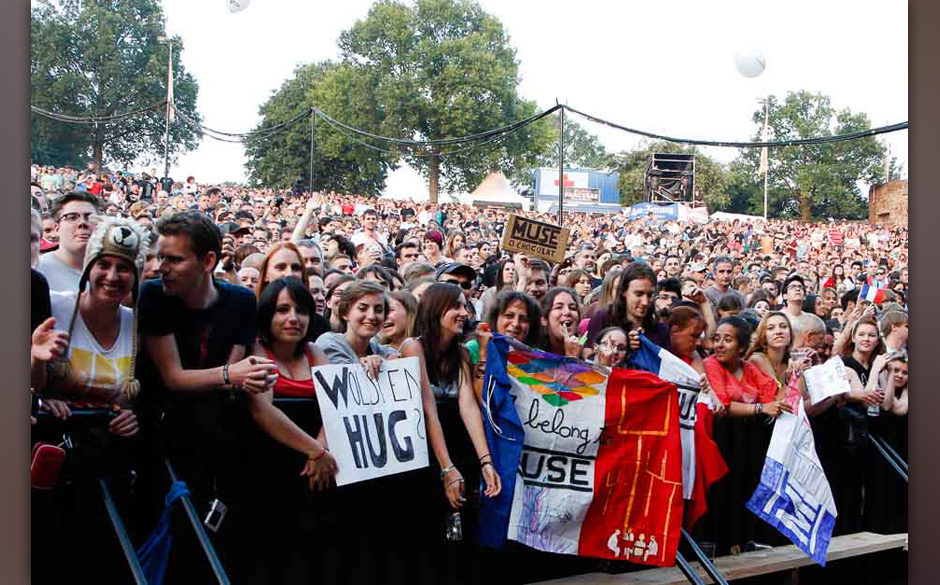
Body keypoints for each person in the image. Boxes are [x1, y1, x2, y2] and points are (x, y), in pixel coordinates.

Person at [136, 210, 279, 582]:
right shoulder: (153, 296)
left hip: (220, 450)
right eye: (160, 257)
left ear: (209, 261)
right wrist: (231, 375)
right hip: (161, 447)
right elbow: (174, 377)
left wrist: (239, 377)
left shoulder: (241, 301)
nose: (161, 267)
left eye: (174, 259)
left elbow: (231, 379)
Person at [31, 217, 144, 583]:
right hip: (51, 464)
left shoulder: (137, 325)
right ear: (89, 269)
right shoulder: (54, 306)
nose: (112, 276)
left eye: (124, 268)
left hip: (107, 469)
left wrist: (131, 415)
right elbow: (32, 384)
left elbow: (143, 393)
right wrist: (36, 365)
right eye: (104, 265)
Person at [399, 283, 501, 583]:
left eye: (465, 306)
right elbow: (428, 409)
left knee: (457, 535)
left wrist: (485, 462)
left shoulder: (460, 354)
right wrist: (446, 468)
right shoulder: (412, 347)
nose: (463, 313)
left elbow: (468, 406)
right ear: (435, 309)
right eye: (455, 306)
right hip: (425, 459)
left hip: (455, 454)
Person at [243, 276, 340, 584]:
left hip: (317, 475)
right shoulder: (255, 350)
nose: (292, 318)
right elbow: (263, 411)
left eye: (300, 310)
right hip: (269, 474)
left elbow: (333, 407)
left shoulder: (316, 353)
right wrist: (315, 449)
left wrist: (321, 451)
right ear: (267, 314)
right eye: (282, 309)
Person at [37, 191, 98, 291]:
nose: (82, 223)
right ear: (57, 228)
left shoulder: (112, 272)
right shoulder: (38, 269)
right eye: (72, 217)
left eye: (90, 218)